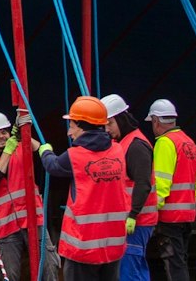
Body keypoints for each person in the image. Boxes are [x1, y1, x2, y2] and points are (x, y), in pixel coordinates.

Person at [41, 97, 130, 281]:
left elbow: (53, 166)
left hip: (83, 248)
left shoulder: (75, 156)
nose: (69, 132)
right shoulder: (118, 150)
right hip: (112, 247)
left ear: (81, 126)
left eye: (72, 126)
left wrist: (45, 151)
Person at [0, 109, 52, 281]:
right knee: (9, 274)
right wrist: (9, 150)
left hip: (34, 218)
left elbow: (43, 152)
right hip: (6, 226)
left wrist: (24, 135)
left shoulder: (22, 148)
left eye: (4, 132)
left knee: (48, 266)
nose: (1, 137)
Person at [143, 101, 196, 281]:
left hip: (169, 217)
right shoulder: (189, 143)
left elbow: (160, 185)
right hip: (187, 215)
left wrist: (151, 212)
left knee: (174, 265)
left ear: (156, 120)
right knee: (180, 261)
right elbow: (195, 183)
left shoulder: (165, 143)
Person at [102, 95, 155, 281]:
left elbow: (143, 183)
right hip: (130, 221)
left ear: (120, 119)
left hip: (137, 223)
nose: (107, 130)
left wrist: (133, 214)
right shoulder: (124, 143)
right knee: (133, 269)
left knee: (130, 272)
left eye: (109, 124)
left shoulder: (136, 146)